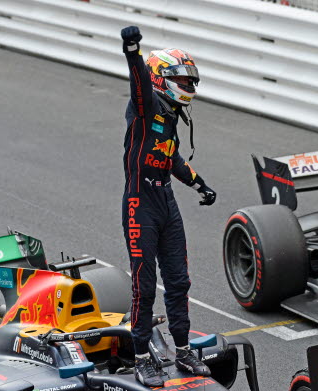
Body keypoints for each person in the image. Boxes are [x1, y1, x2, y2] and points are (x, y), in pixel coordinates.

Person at [120, 25, 216, 387]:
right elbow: (139, 83)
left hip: (166, 203)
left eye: (191, 82)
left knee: (179, 281)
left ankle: (183, 349)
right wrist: (133, 51)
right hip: (139, 205)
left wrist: (199, 184)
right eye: (183, 80)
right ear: (162, 79)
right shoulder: (144, 109)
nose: (189, 87)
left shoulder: (171, 116)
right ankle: (142, 357)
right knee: (144, 287)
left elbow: (171, 157)